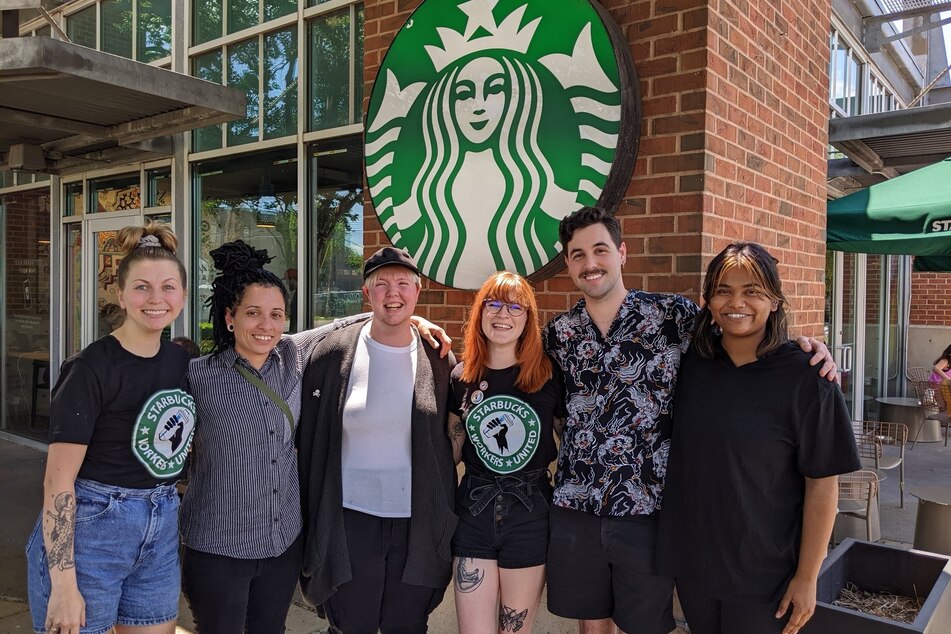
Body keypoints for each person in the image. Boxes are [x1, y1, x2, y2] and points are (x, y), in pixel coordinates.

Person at [542, 207, 838, 634]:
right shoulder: (559, 333)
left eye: (600, 250)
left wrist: (806, 348)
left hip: (649, 510)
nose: (590, 263)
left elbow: (742, 328)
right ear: (568, 263)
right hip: (578, 505)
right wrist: (418, 324)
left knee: (644, 624)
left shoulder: (673, 317)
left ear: (622, 253)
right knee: (593, 620)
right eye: (578, 255)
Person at [180, 241, 451, 633]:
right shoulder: (197, 375)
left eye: (276, 315)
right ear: (228, 318)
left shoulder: (292, 354)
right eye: (252, 313)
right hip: (220, 541)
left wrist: (412, 321)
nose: (265, 325)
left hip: (279, 543)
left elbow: (350, 322)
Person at [659, 242, 860, 634]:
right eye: (723, 290)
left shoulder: (808, 377)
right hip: (695, 566)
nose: (737, 302)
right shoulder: (688, 364)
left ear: (774, 300)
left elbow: (822, 485)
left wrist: (807, 576)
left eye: (752, 291)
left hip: (767, 576)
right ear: (708, 300)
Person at [27, 223, 195, 634]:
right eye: (142, 287)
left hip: (160, 526)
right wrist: (64, 583)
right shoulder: (90, 368)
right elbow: (58, 481)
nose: (156, 299)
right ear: (120, 295)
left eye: (168, 287)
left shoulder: (180, 363)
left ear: (184, 296)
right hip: (93, 532)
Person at [297, 246, 457, 633]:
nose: (393, 293)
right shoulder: (331, 354)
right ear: (366, 294)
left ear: (417, 292)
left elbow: (453, 436)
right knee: (351, 625)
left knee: (407, 624)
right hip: (349, 523)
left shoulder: (438, 359)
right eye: (380, 284)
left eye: (403, 284)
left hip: (415, 525)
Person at [448, 272, 563, 634]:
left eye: (516, 306)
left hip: (529, 514)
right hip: (474, 512)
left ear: (528, 318)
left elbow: (573, 443)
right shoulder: (460, 377)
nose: (503, 314)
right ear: (480, 313)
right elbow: (451, 450)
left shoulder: (547, 375)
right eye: (494, 304)